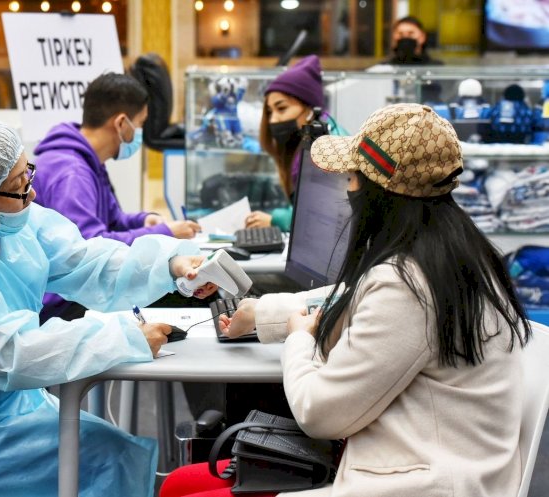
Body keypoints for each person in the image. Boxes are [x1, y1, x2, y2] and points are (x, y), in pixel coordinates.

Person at [162, 103, 532, 497]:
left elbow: (319, 413)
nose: (348, 189)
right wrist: (260, 313)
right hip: (417, 457)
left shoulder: (408, 284)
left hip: (419, 483)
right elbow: (352, 295)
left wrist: (298, 339)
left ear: (381, 194)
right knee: (180, 484)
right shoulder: (450, 253)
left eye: (353, 178)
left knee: (180, 490)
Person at [0, 116, 218, 497]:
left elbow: (84, 261)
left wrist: (170, 264)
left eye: (26, 174)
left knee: (106, 448)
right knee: (108, 456)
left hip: (0, 411)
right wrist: (122, 338)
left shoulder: (1, 220)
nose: (30, 194)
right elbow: (6, 353)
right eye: (17, 186)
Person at [32, 72, 202, 321]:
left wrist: (144, 221)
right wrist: (164, 232)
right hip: (64, 304)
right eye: (141, 124)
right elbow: (90, 250)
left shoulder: (88, 161)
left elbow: (112, 219)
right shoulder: (72, 173)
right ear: (122, 123)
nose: (141, 133)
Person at [245, 55, 347, 232]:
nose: (273, 119)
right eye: (269, 112)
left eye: (282, 108)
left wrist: (275, 219)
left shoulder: (329, 145)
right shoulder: (304, 142)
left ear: (309, 108)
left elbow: (326, 214)